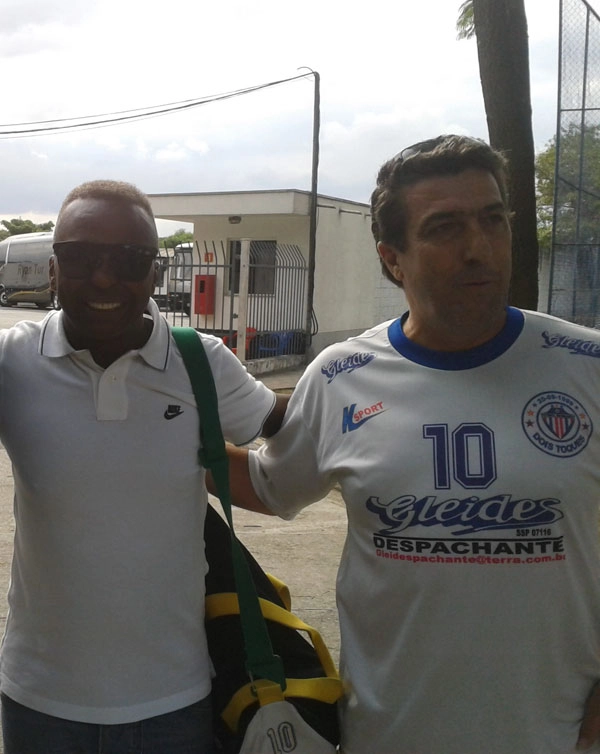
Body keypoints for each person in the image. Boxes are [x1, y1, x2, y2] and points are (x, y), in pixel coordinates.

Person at [225, 135, 600, 754]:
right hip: (393, 731)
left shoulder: (584, 364)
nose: (478, 248)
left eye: (493, 220)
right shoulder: (342, 376)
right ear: (392, 257)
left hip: (558, 733)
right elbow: (270, 486)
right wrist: (168, 437)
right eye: (445, 228)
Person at [0, 179, 287, 753]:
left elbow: (284, 426)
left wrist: (369, 401)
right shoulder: (13, 363)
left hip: (173, 702)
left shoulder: (200, 362)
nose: (104, 278)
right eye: (82, 257)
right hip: (39, 701)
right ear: (54, 269)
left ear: (154, 271)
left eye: (129, 259)